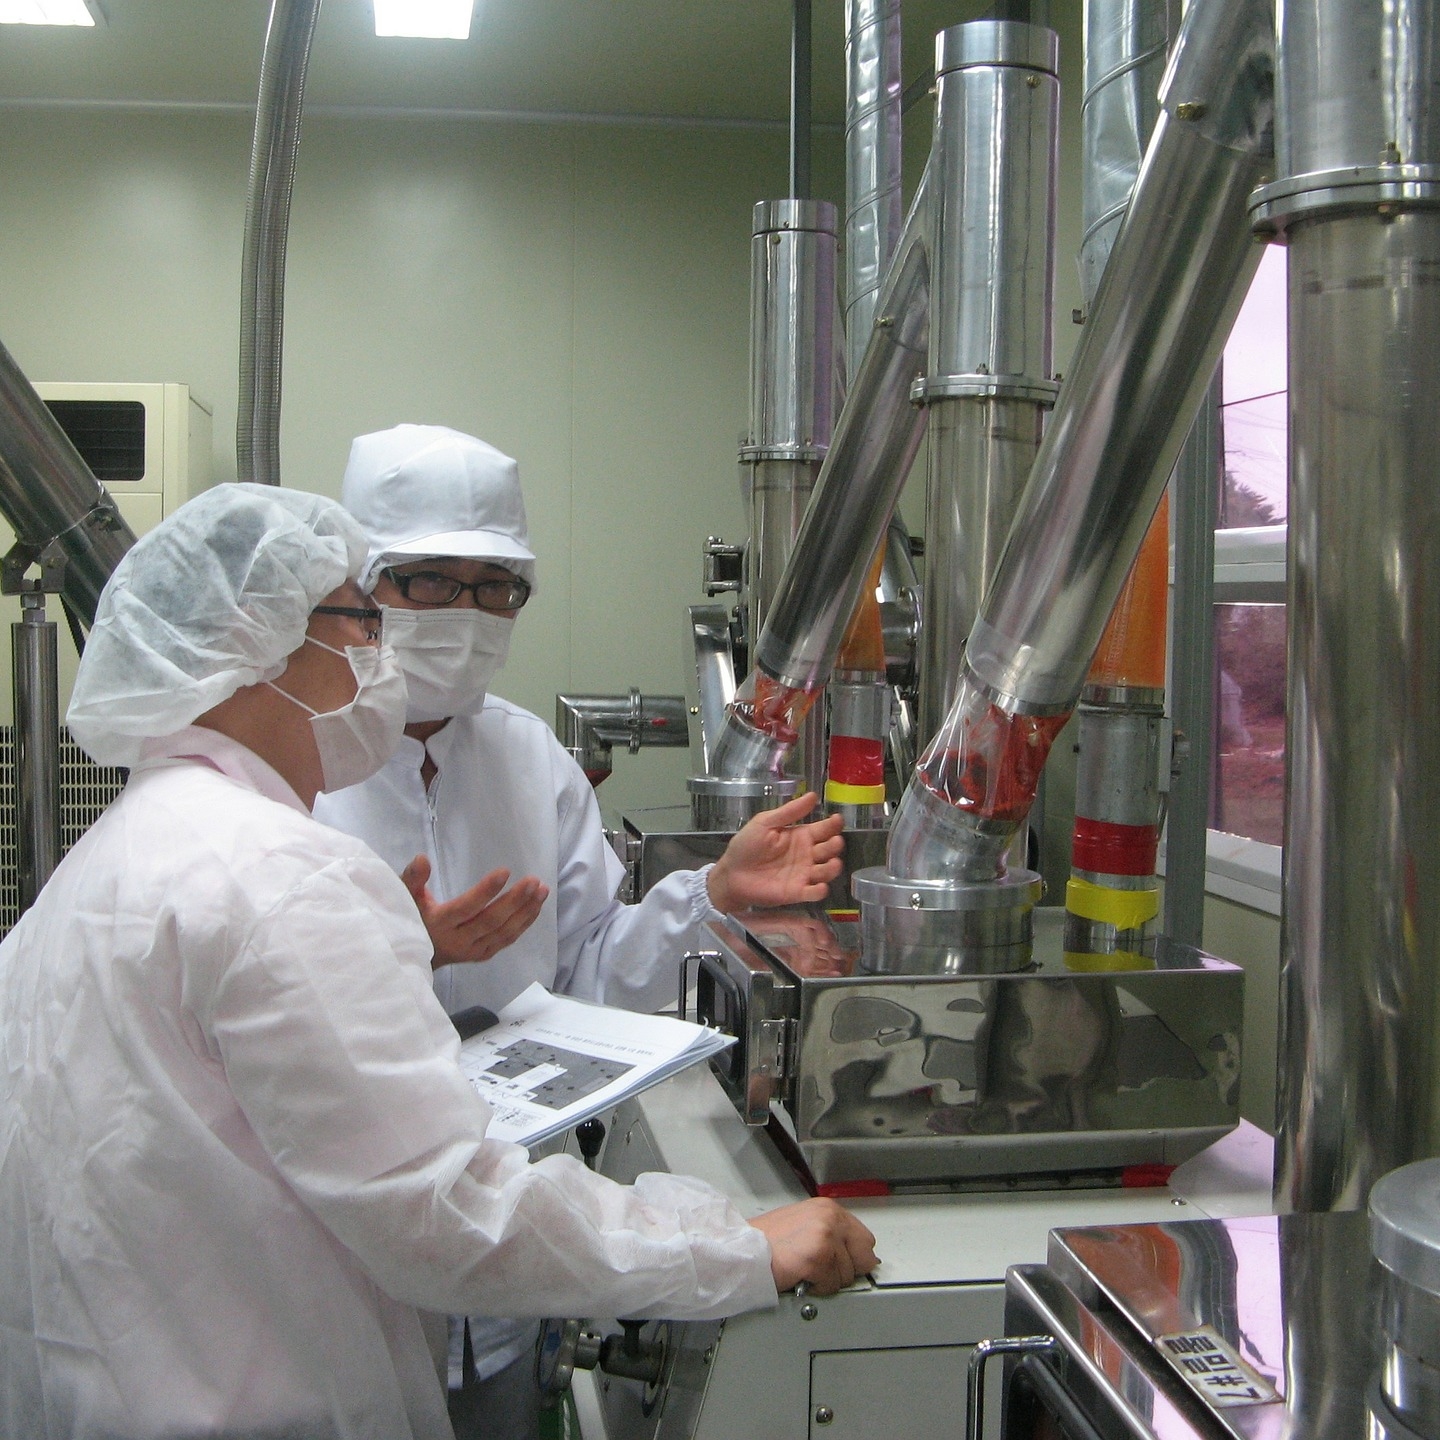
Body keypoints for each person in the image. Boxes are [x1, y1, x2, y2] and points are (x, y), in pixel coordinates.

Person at [0, 484, 877, 1440]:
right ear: (262, 647)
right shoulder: (279, 877)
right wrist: (733, 1249)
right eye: (362, 620)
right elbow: (445, 1213)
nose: (378, 656)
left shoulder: (113, 857)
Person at [313, 425, 848, 1434]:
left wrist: (712, 895)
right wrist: (403, 953)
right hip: (346, 1279)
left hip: (514, 1258)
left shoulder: (530, 763)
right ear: (361, 583)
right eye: (429, 581)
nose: (466, 615)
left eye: (496, 586)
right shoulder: (300, 771)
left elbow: (592, 968)